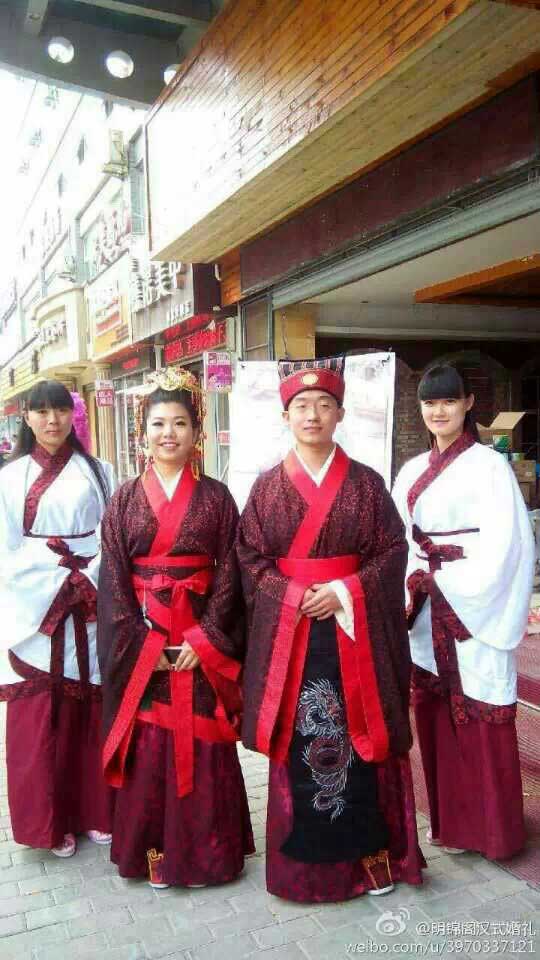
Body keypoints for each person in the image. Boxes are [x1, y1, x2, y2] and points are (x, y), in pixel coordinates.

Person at [236, 356, 424, 902]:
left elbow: (392, 550)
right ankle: (303, 869)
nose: (312, 415)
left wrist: (343, 590)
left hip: (353, 630)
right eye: (301, 406)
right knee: (301, 739)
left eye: (324, 405)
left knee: (365, 734)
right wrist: (296, 594)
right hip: (292, 631)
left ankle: (373, 857)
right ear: (285, 416)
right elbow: (249, 558)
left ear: (340, 414)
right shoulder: (267, 488)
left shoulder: (366, 484)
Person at [97, 367, 253, 889]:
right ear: (142, 432)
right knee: (149, 743)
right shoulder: (122, 500)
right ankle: (153, 854)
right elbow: (114, 579)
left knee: (205, 739)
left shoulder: (218, 498)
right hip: (145, 640)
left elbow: (232, 575)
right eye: (159, 423)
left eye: (180, 423)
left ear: (197, 431)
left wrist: (204, 640)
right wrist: (144, 645)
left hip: (198, 637)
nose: (169, 434)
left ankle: (207, 856)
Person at [392, 362, 534, 860]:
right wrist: (414, 579)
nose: (439, 412)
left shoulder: (490, 467)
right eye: (430, 403)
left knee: (481, 708)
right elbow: (400, 540)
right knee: (435, 717)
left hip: (474, 608)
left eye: (449, 401)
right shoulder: (410, 471)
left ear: (468, 404)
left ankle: (495, 833)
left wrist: (448, 584)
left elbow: (509, 545)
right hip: (426, 607)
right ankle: (452, 826)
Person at [0, 380, 116, 857]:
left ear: (74, 415)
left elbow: (114, 536)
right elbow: (5, 550)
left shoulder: (102, 471)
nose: (52, 421)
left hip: (90, 595)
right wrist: (58, 578)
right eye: (42, 412)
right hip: (37, 606)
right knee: (43, 713)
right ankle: (51, 823)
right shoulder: (9, 478)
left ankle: (96, 811)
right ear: (26, 417)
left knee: (92, 704)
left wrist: (87, 575)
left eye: (61, 411)